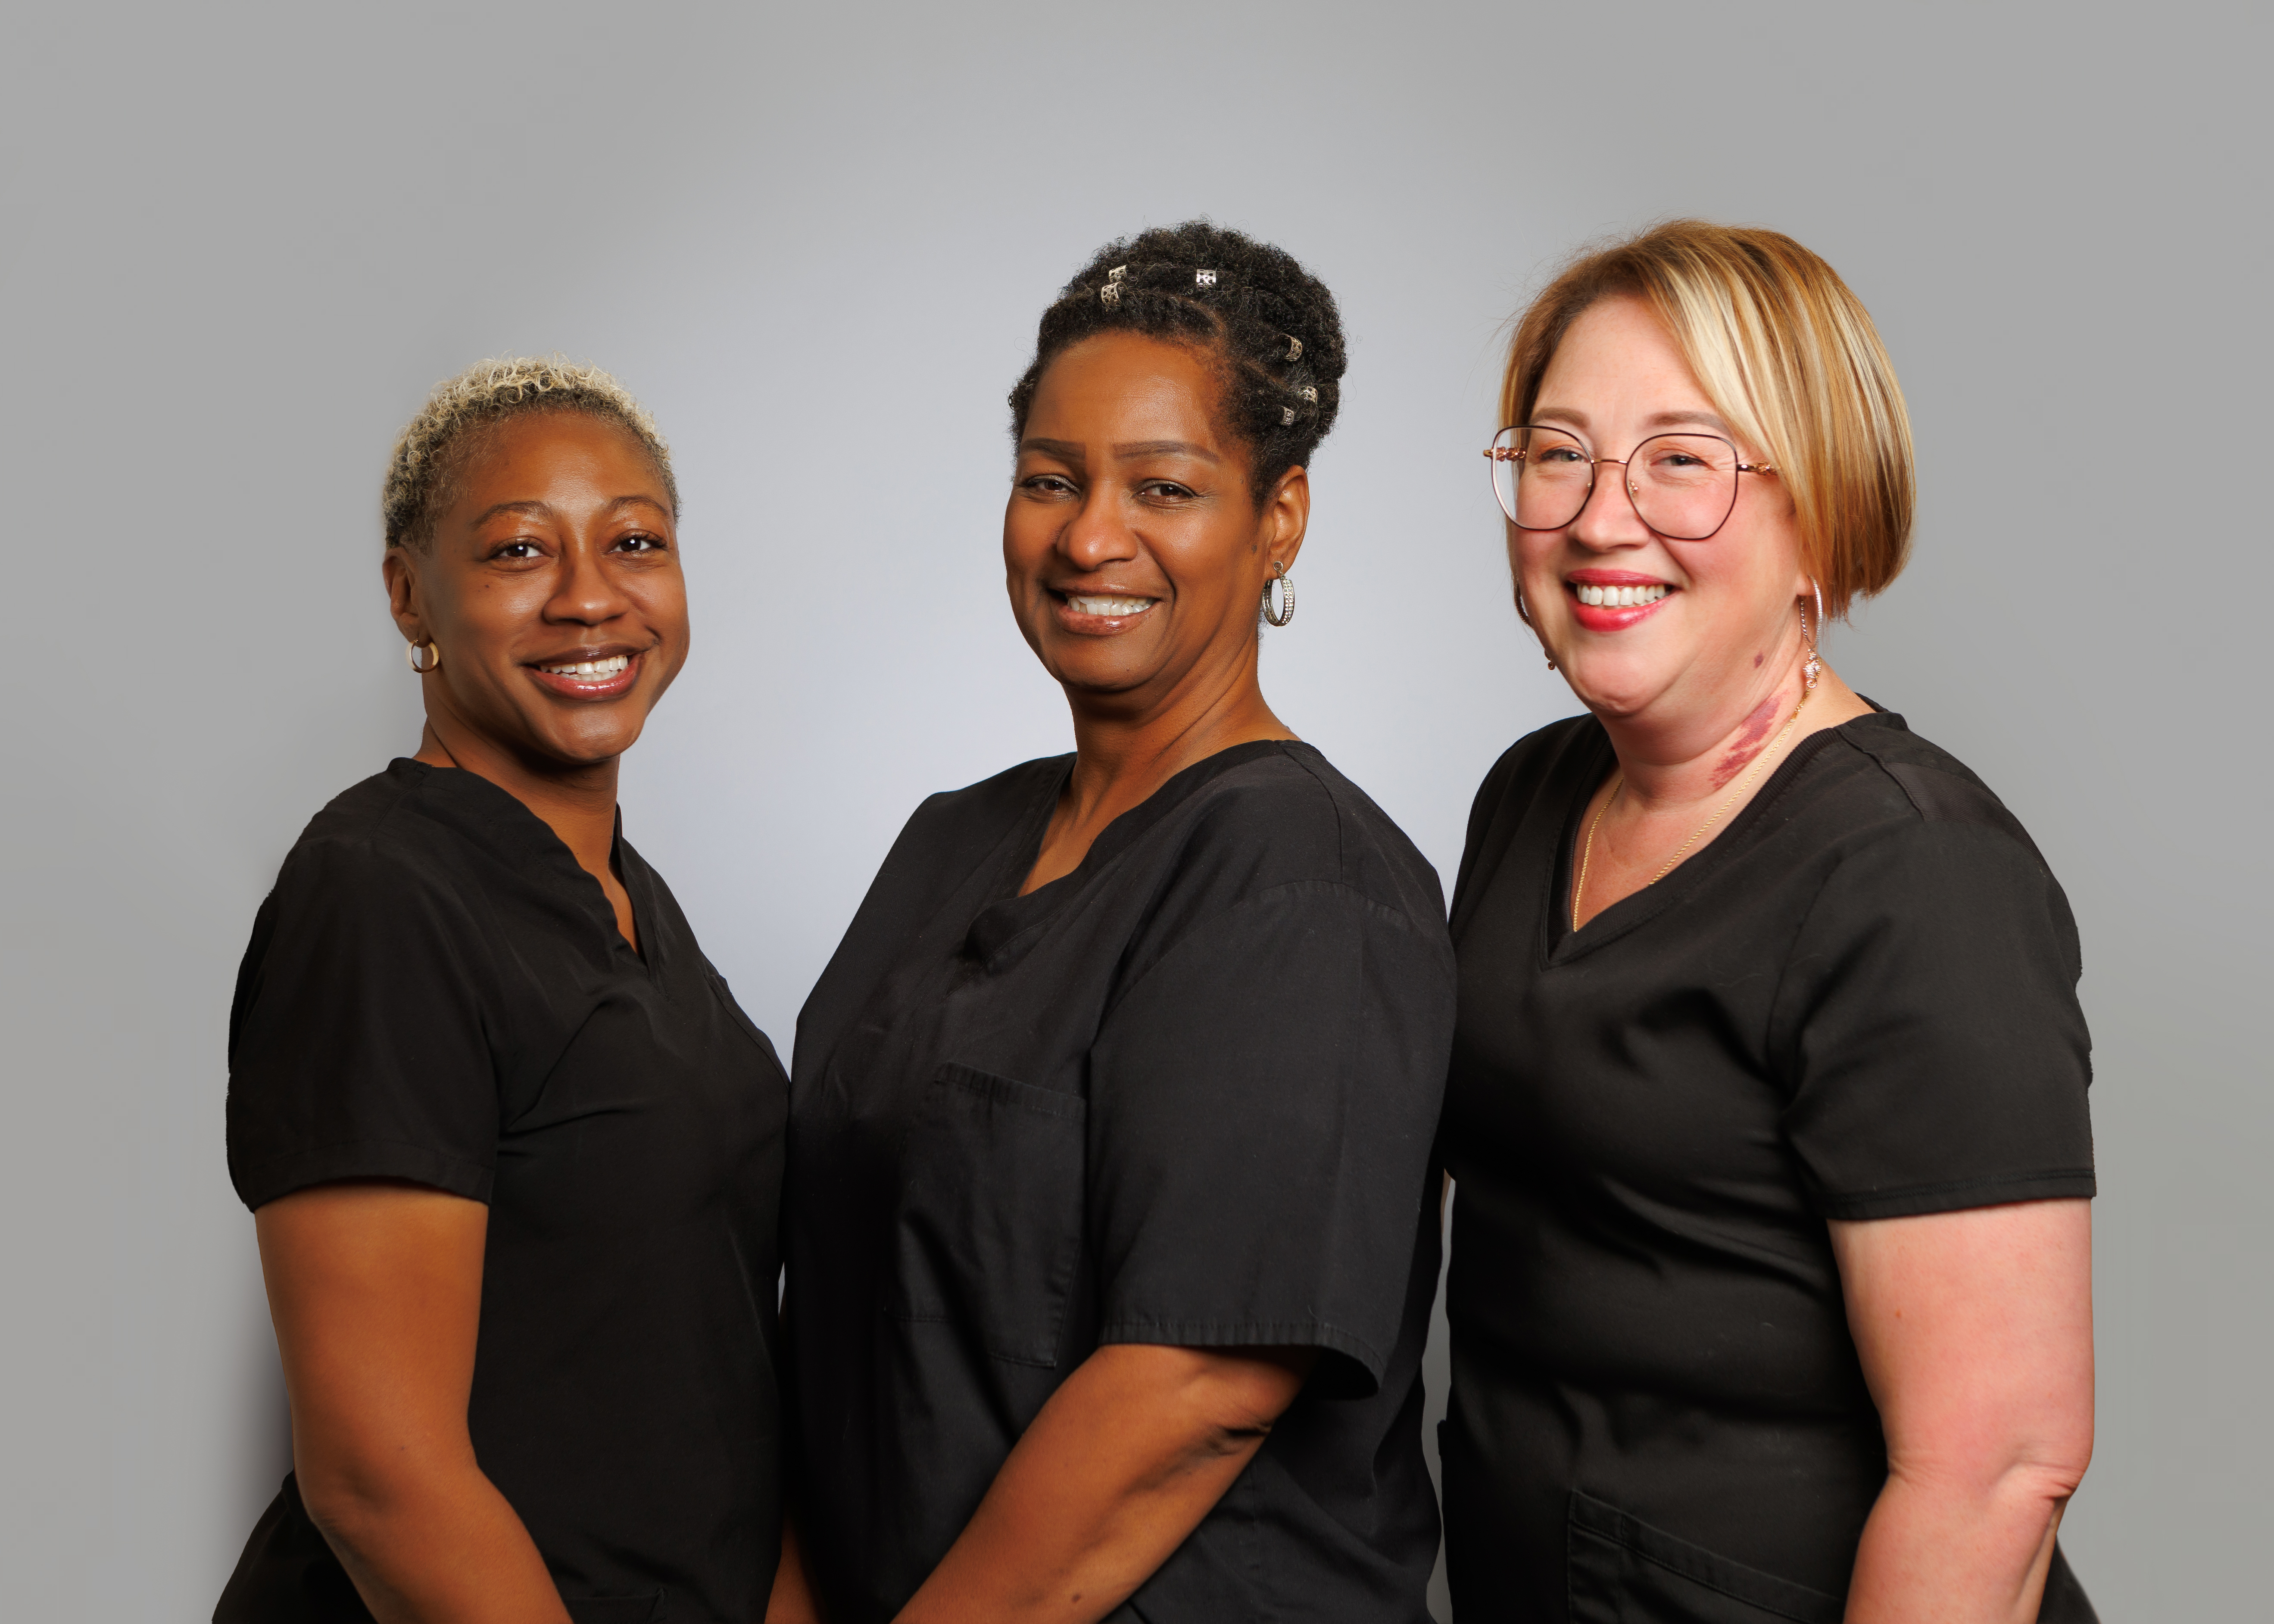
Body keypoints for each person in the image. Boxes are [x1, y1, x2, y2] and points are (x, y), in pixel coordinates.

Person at [771, 223, 1454, 1624]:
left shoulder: (1304, 881)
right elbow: (824, 1299)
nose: (1090, 536)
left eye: (1165, 485)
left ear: (1279, 518)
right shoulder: (952, 840)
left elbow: (1193, 1397)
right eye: (1050, 481)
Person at [1437, 221, 2099, 1624]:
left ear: (1824, 512)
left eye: (1684, 458)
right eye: (1558, 452)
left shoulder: (1917, 877)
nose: (1601, 518)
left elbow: (1998, 1466)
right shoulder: (1530, 795)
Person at [216, 358, 787, 1624]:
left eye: (634, 540)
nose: (591, 597)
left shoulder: (632, 906)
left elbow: (713, 1372)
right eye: (521, 551)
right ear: (410, 593)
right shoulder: (378, 894)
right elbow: (378, 1479)